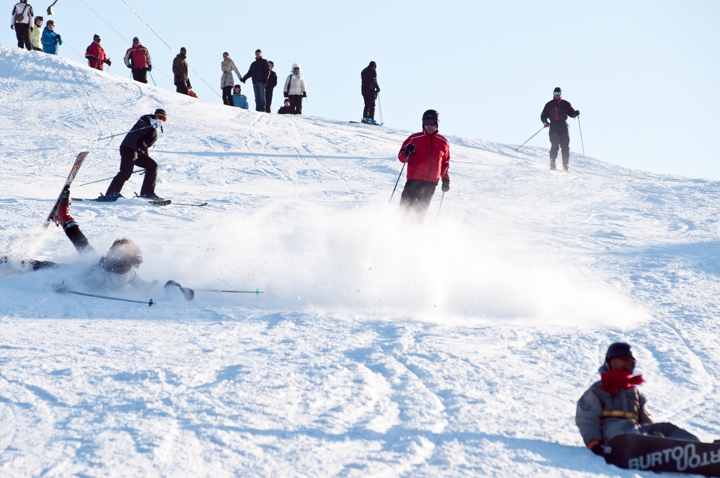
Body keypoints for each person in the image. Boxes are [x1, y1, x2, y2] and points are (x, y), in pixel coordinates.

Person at [2, 189, 194, 300]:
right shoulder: (129, 274)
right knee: (83, 247)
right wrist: (169, 289)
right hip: (92, 265)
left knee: (51, 266)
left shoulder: (102, 275)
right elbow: (144, 287)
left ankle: (14, 263)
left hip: (86, 269)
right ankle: (63, 216)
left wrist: (63, 285)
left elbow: (82, 283)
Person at [576, 342, 701, 457]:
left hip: (634, 430)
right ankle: (654, 446)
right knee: (633, 431)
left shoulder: (634, 392)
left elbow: (645, 419)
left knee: (666, 428)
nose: (624, 368)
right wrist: (594, 443)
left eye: (628, 365)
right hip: (612, 434)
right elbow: (587, 418)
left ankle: (699, 449)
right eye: (619, 363)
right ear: (609, 364)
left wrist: (655, 431)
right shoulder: (597, 390)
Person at [98, 109, 167, 202]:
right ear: (155, 115)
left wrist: (146, 161)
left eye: (163, 119)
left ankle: (147, 193)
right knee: (126, 171)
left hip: (139, 152)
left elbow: (145, 146)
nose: (161, 120)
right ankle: (112, 193)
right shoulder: (146, 119)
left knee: (152, 165)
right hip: (129, 147)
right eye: (159, 117)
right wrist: (151, 121)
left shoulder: (154, 131)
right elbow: (142, 121)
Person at [396, 110, 451, 223]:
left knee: (420, 213)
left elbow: (445, 162)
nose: (429, 126)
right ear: (423, 123)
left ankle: (412, 235)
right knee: (405, 209)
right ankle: (392, 228)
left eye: (432, 122)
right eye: (427, 122)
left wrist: (445, 179)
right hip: (414, 180)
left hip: (431, 183)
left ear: (437, 124)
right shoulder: (414, 139)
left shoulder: (443, 142)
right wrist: (406, 152)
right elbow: (401, 157)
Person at [541, 87, 580, 171]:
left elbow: (571, 113)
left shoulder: (566, 104)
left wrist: (575, 113)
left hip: (563, 126)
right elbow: (543, 115)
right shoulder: (549, 104)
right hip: (554, 126)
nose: (557, 96)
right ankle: (552, 164)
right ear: (553, 94)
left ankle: (565, 165)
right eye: (555, 94)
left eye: (558, 94)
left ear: (561, 95)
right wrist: (545, 122)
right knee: (555, 144)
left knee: (565, 145)